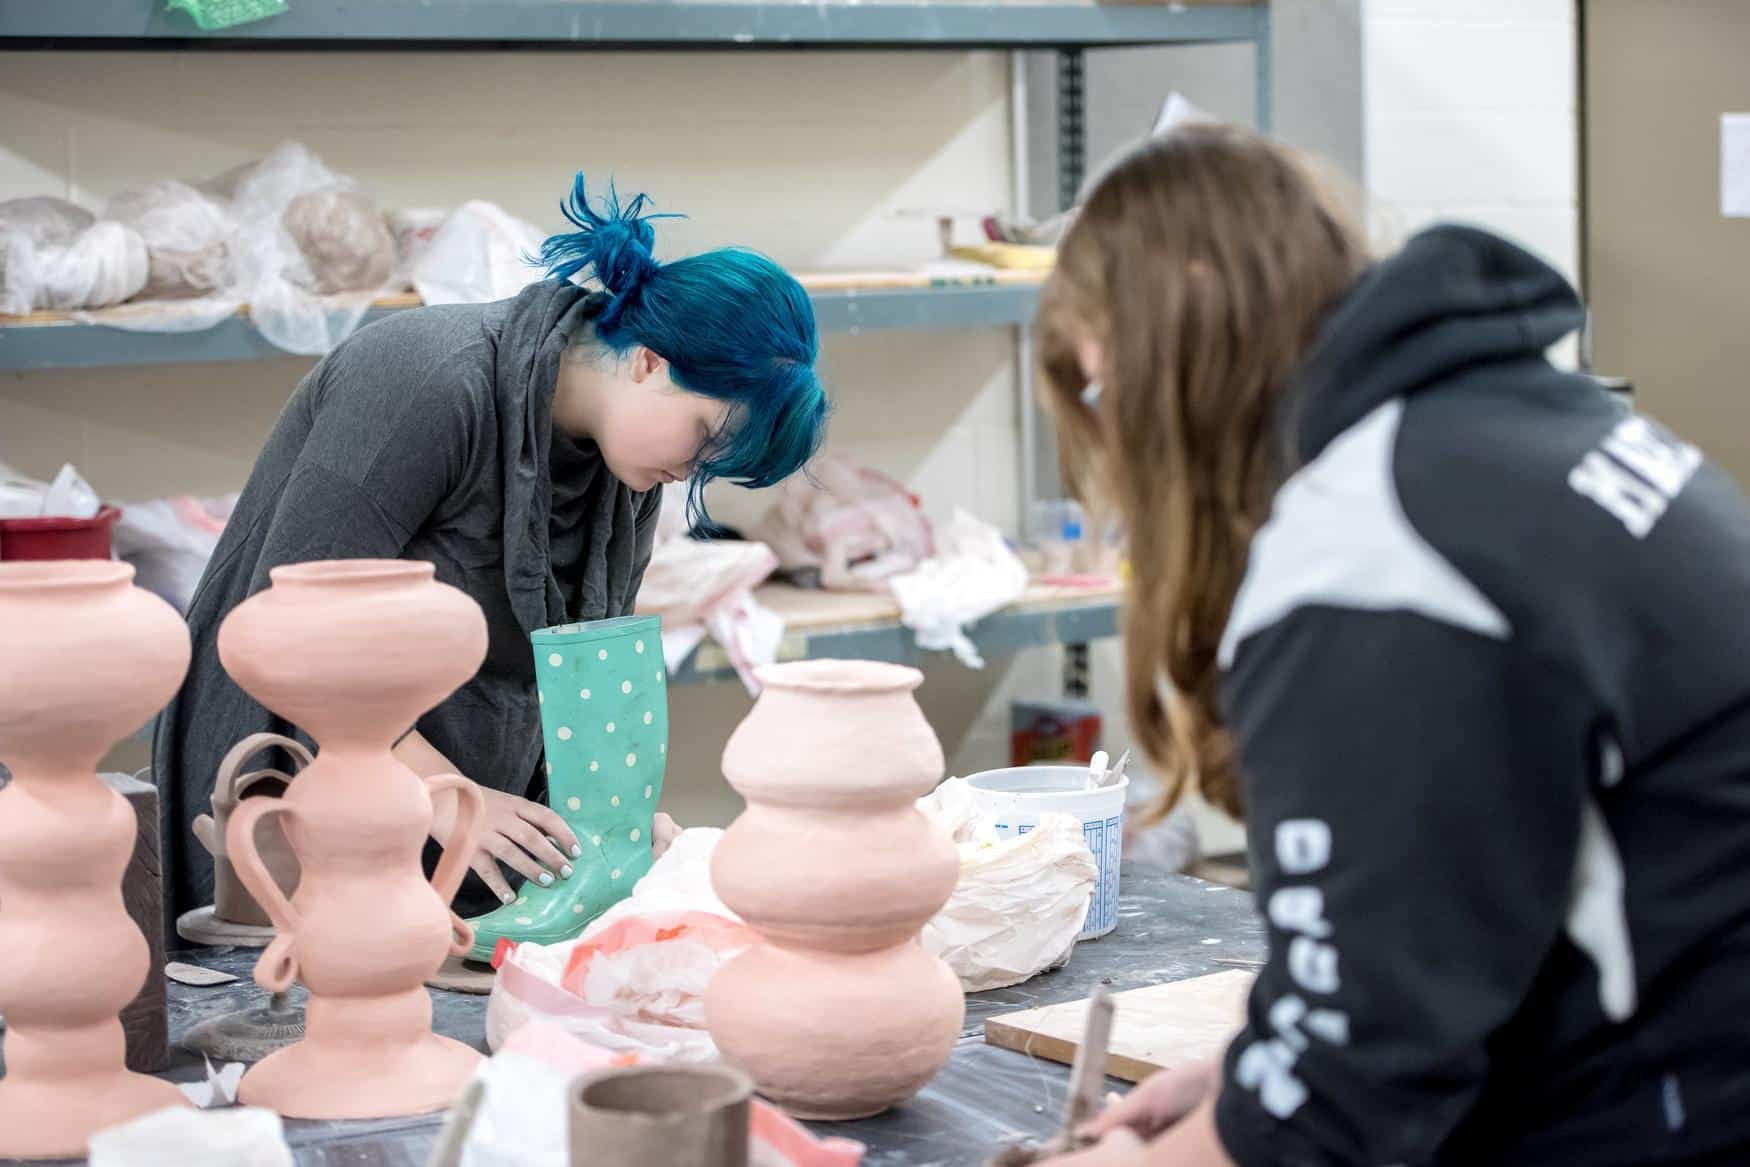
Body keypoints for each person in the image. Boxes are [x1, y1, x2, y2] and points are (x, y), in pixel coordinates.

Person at [1035, 124, 1750, 1166]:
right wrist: (1247, 1077)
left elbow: (1350, 1100)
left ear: (1180, 348)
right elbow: (1461, 905)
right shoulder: (1515, 423)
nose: (1116, 437)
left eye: (1104, 390)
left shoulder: (1373, 550)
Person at [154, 176, 828, 929]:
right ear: (648, 361)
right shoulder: (428, 378)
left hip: (461, 821)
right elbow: (288, 624)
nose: (691, 473)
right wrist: (443, 794)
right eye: (704, 439)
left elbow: (578, 675)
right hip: (293, 778)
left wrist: (613, 828)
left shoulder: (629, 466)